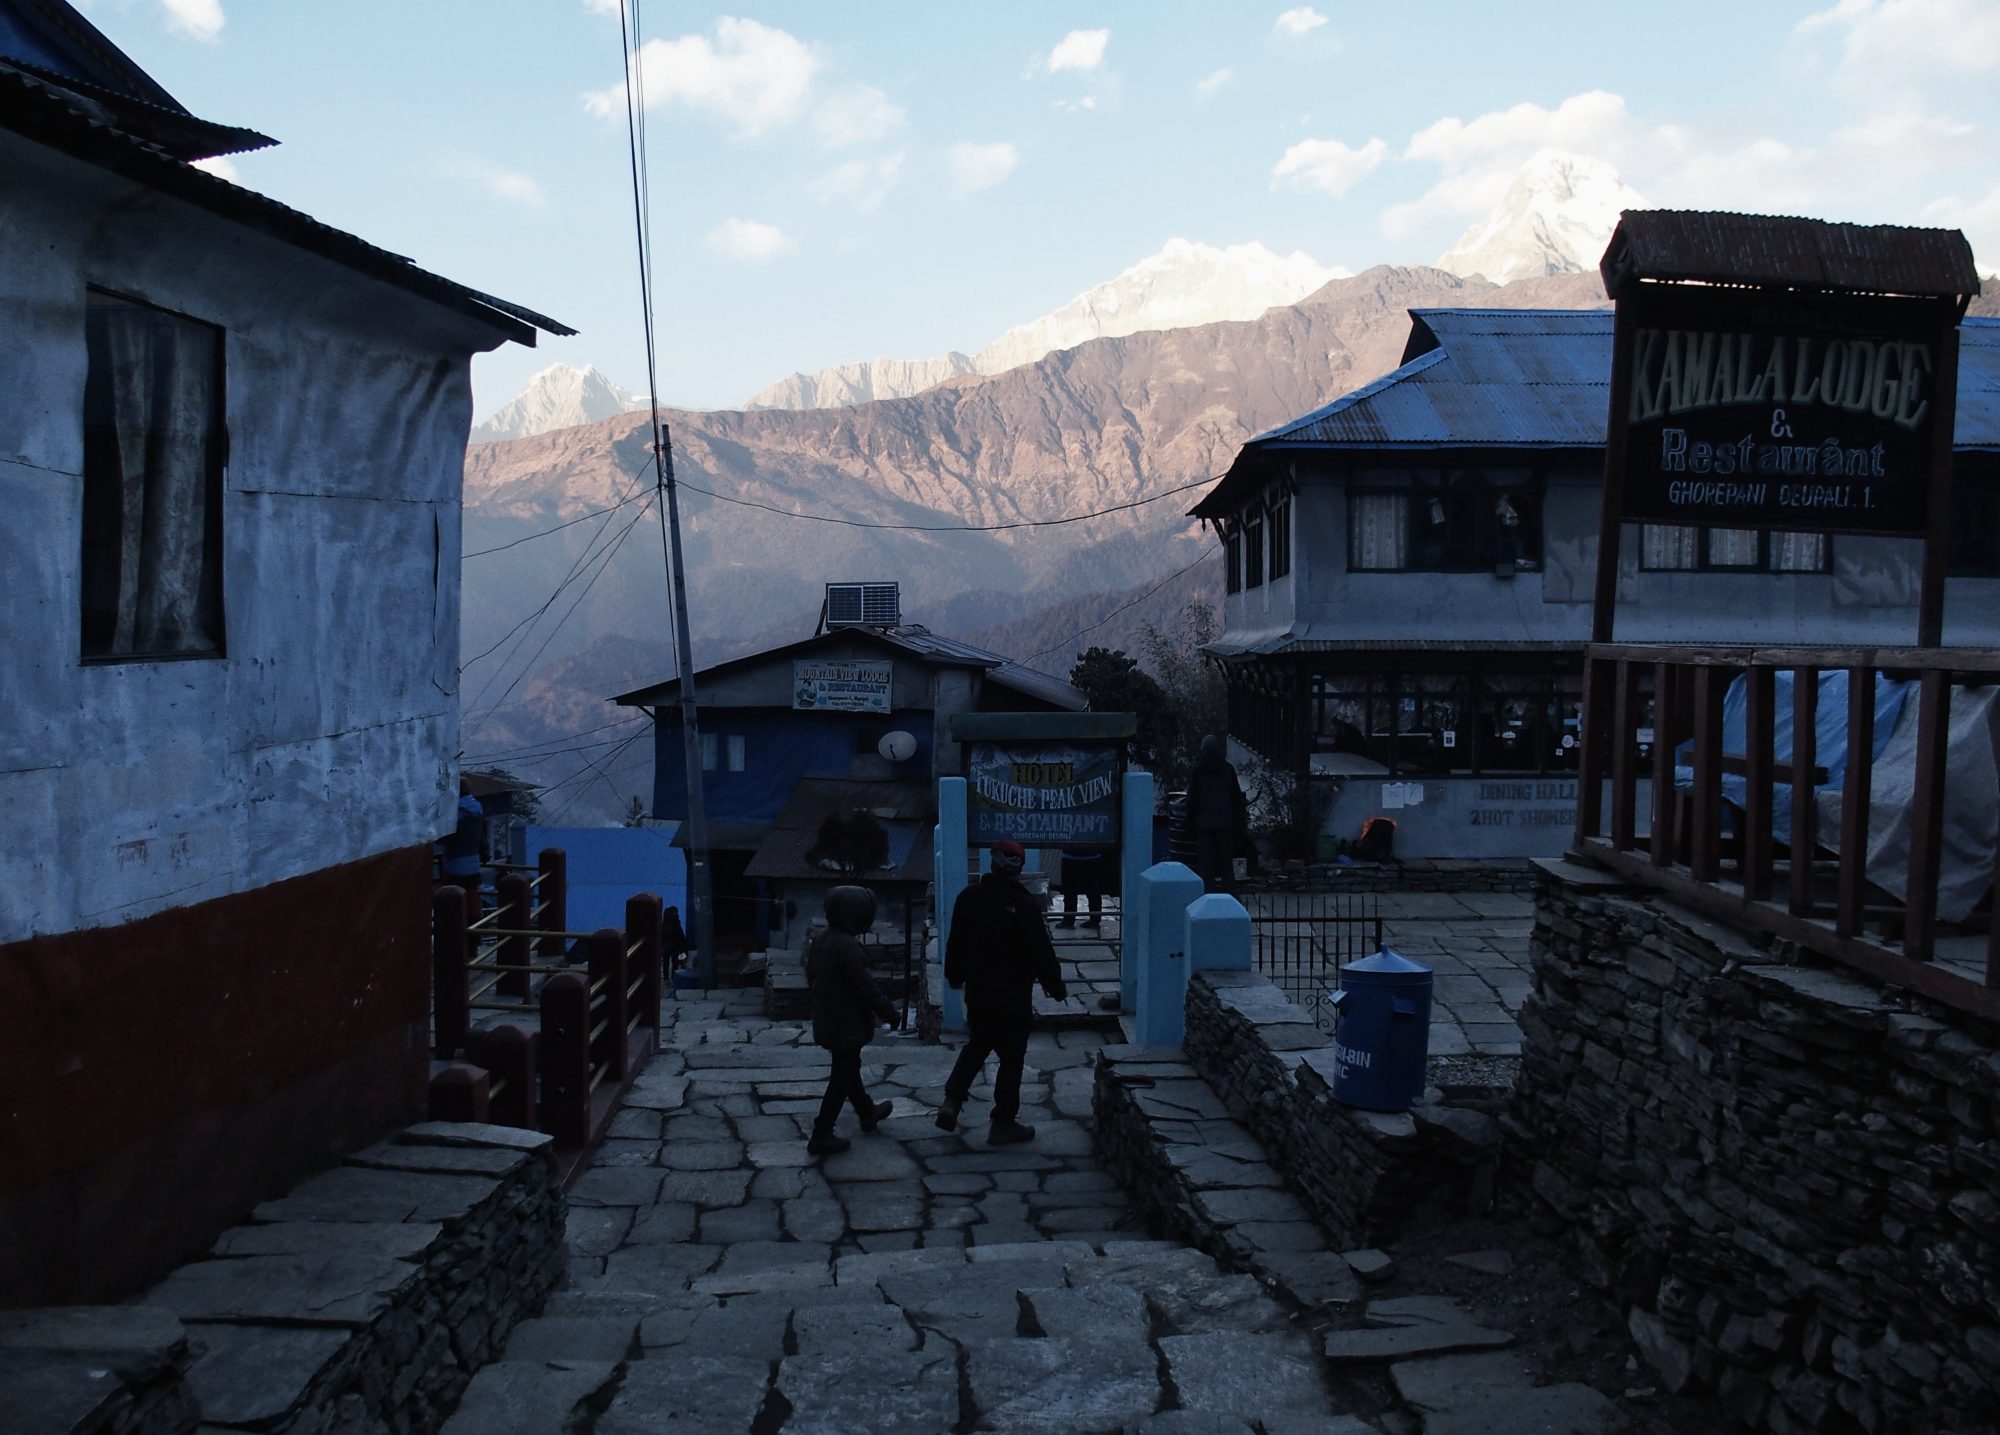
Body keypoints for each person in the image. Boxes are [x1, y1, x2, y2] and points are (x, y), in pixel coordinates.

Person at [938, 839, 1067, 1144]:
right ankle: (1004, 1123)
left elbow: (955, 943)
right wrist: (1055, 986)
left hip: (979, 993)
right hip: (1012, 996)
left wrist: (953, 977)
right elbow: (1040, 951)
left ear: (992, 862)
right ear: (1019, 868)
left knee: (978, 1044)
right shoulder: (1024, 905)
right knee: (1011, 1058)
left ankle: (952, 1100)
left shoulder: (968, 898)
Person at [805, 885, 899, 1157]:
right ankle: (821, 1133)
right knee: (841, 1078)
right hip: (845, 1023)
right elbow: (865, 988)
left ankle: (867, 1112)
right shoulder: (848, 947)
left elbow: (810, 976)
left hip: (828, 1018)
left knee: (848, 1069)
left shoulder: (822, 940)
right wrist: (890, 1012)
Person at [1186, 734, 1248, 893]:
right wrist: (1239, 826)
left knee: (1207, 870)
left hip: (1205, 827)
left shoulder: (1199, 771)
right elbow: (1236, 799)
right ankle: (1230, 900)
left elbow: (1191, 800)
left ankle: (1208, 901)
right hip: (1225, 826)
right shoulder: (1227, 769)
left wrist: (1190, 824)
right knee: (1227, 867)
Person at [438, 776, 486, 892]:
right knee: (471, 897)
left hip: (455, 863)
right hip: (474, 862)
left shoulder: (455, 812)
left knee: (454, 897)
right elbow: (481, 835)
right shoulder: (477, 809)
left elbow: (444, 837)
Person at [1056, 845, 1103, 928]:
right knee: (1093, 890)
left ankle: (1068, 920)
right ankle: (1095, 920)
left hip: (1071, 856)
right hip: (1092, 855)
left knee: (1070, 891)